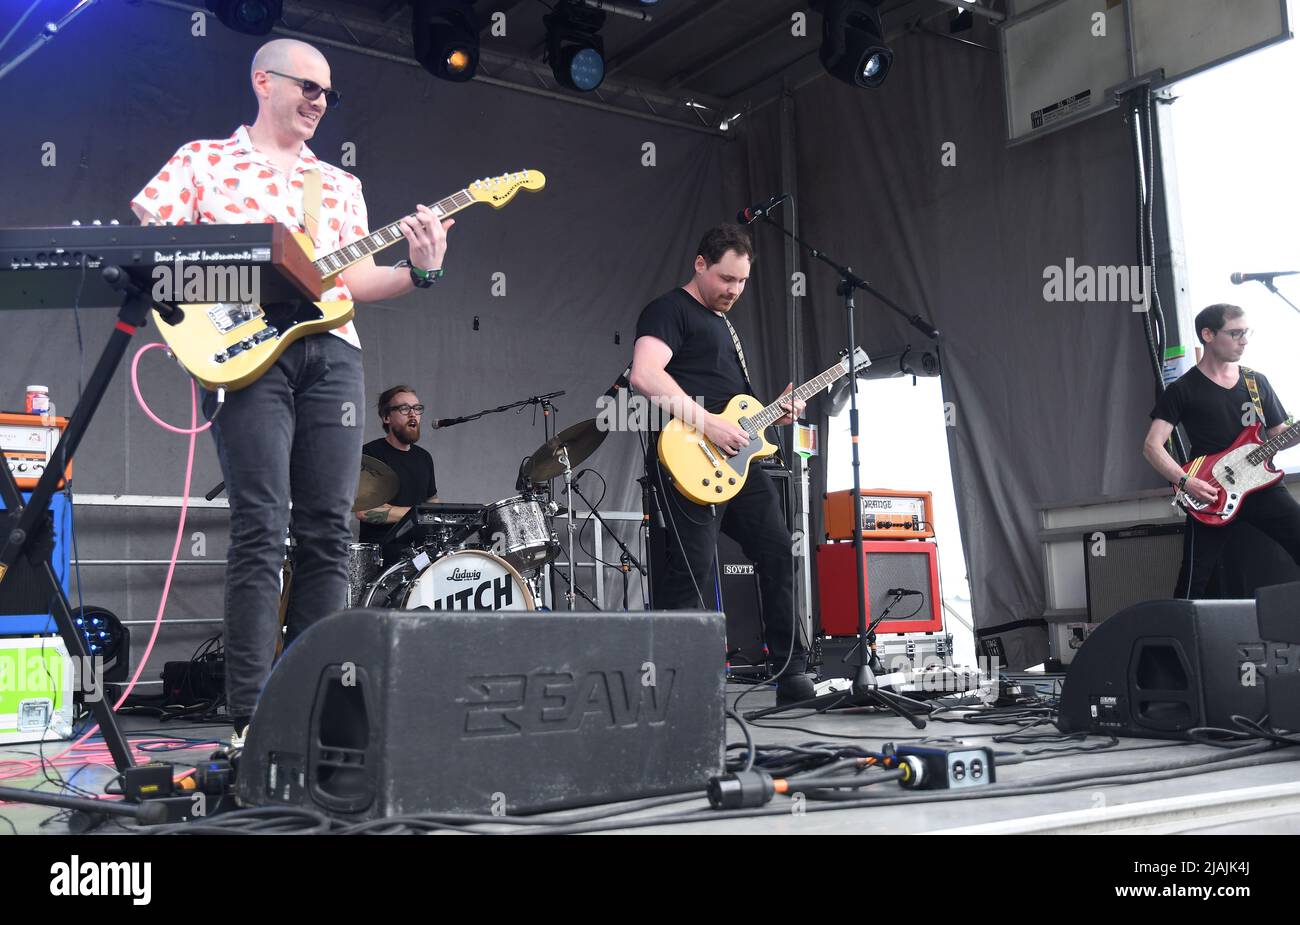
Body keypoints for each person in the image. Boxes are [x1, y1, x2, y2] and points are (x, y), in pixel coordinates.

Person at [130, 39, 453, 736]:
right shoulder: (203, 162)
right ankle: (251, 716)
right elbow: (151, 253)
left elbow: (357, 280)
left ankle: (316, 710)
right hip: (247, 357)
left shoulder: (337, 184)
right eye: (307, 86)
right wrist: (241, 289)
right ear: (262, 81)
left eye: (328, 93)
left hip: (332, 354)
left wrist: (421, 271)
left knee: (330, 530)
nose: (318, 101)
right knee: (261, 526)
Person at [630, 224, 814, 704]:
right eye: (726, 278)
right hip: (690, 454)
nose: (734, 290)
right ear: (699, 264)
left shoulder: (726, 326)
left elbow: (736, 407)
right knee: (692, 568)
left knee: (777, 550)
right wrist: (709, 424)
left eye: (742, 282)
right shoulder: (669, 310)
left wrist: (772, 410)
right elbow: (645, 375)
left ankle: (791, 672)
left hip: (738, 459)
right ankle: (682, 686)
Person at [1143, 303, 1300, 597]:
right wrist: (1187, 482)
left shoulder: (1256, 382)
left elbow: (1279, 435)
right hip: (1212, 492)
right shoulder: (1182, 389)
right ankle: (1178, 639)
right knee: (1194, 580)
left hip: (1262, 487)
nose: (1244, 340)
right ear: (1208, 334)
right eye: (1235, 333)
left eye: (1246, 332)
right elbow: (1152, 446)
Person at [358, 385, 440, 565]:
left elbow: (432, 500)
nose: (413, 414)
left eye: (417, 408)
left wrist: (440, 514)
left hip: (421, 556)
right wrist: (417, 514)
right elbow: (364, 511)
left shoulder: (424, 457)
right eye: (404, 408)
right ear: (386, 417)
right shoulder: (370, 454)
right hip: (382, 560)